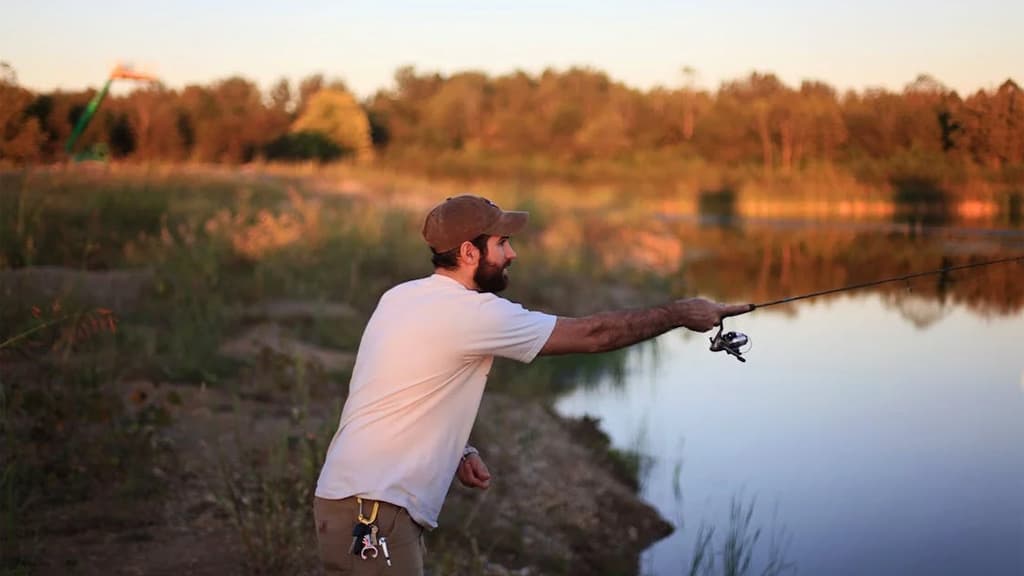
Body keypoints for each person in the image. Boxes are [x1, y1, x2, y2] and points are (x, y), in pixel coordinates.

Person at [313, 195, 751, 575]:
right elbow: (594, 335)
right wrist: (678, 314)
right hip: (373, 513)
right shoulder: (472, 313)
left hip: (354, 503)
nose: (513, 253)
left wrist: (457, 448)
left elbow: (397, 386)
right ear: (469, 251)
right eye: (502, 242)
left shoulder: (402, 296)